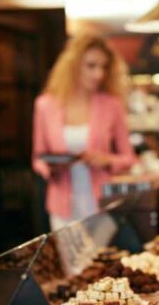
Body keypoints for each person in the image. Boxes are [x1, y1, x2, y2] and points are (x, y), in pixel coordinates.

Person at [33, 34, 137, 230]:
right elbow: (38, 158)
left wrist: (105, 160)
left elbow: (129, 159)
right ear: (73, 66)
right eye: (91, 66)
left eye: (104, 67)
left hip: (102, 205)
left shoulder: (111, 105)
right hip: (62, 207)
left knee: (101, 260)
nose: (99, 74)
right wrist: (51, 168)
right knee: (71, 261)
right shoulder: (45, 105)